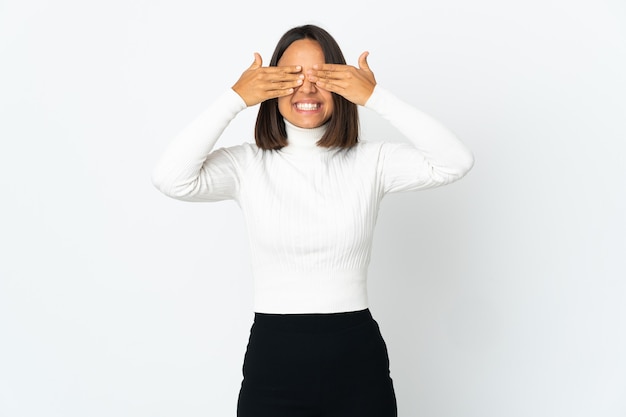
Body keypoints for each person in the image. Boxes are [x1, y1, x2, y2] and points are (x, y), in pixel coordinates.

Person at [152, 24, 474, 417]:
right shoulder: (246, 165)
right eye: (290, 77)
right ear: (269, 86)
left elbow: (455, 161)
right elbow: (171, 178)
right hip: (273, 360)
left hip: (358, 361)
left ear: (343, 85)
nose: (306, 89)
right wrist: (235, 98)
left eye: (321, 76)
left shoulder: (372, 162)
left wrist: (376, 98)